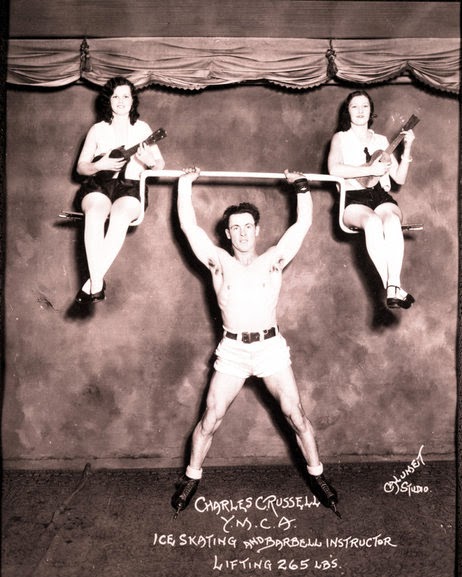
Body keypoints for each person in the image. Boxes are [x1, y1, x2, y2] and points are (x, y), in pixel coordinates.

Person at [171, 167, 340, 518]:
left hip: (270, 350)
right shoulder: (218, 262)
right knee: (210, 418)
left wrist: (301, 187)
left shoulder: (273, 260)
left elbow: (302, 224)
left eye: (248, 226)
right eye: (236, 227)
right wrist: (184, 184)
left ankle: (318, 476)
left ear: (257, 230)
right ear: (227, 233)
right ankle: (190, 477)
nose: (243, 233)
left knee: (296, 415)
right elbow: (189, 228)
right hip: (232, 352)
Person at [74, 76, 165, 304]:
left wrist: (149, 161)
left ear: (133, 101)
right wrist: (98, 165)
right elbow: (81, 167)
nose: (121, 101)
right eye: (116, 96)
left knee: (120, 215)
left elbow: (160, 166)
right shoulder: (97, 129)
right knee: (95, 212)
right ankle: (96, 284)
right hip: (98, 186)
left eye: (126, 96)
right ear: (109, 101)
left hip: (131, 188)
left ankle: (93, 283)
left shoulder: (143, 128)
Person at [327, 90, 416, 309]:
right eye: (354, 106)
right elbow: (334, 169)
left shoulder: (382, 140)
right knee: (373, 222)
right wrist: (367, 169)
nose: (360, 111)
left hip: (378, 195)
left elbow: (399, 177)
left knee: (392, 221)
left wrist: (408, 147)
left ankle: (393, 285)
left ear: (371, 111)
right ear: (347, 112)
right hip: (353, 198)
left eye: (364, 106)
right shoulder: (341, 138)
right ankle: (393, 288)